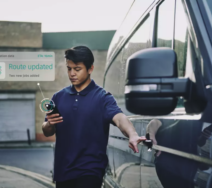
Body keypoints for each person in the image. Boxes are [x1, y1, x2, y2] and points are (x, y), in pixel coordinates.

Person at [42, 46, 146, 188]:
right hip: (63, 171)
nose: (72, 73)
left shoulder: (102, 98)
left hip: (90, 171)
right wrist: (49, 124)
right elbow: (47, 131)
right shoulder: (58, 97)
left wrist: (132, 134)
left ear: (90, 69)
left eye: (77, 69)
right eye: (69, 68)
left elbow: (120, 118)